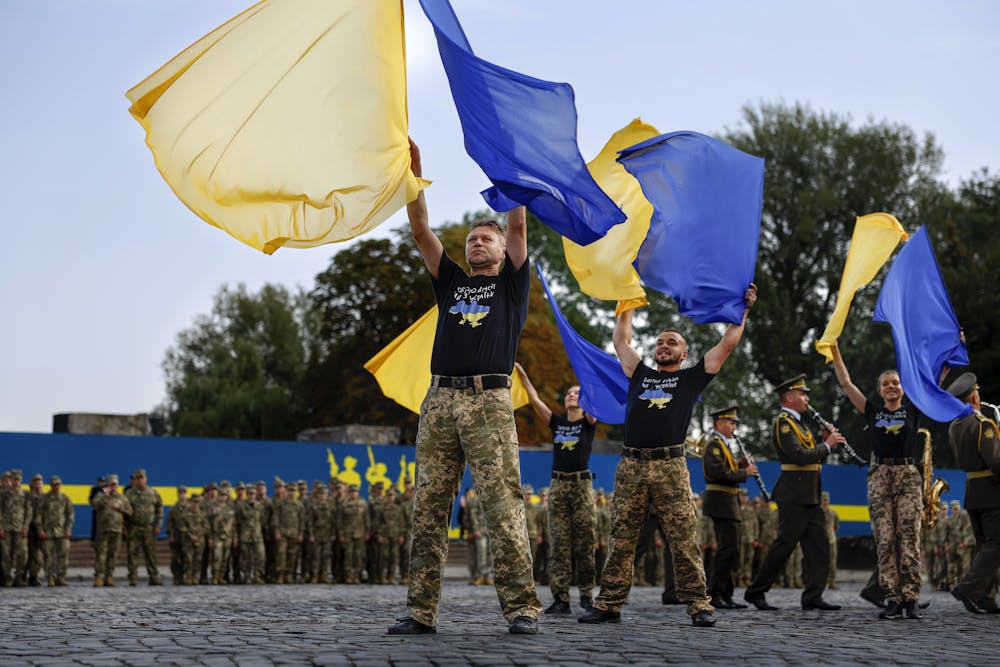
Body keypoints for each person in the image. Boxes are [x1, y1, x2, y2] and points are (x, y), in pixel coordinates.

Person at [388, 140, 541, 636]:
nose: (477, 243)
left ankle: (522, 608)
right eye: (473, 238)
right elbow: (421, 230)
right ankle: (420, 611)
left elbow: (518, 226)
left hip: (488, 400)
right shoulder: (452, 282)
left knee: (502, 505)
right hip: (439, 401)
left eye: (486, 239)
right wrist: (414, 178)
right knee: (429, 509)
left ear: (501, 250)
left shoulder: (512, 285)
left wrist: (509, 167)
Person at [580, 284, 757, 628]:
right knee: (622, 538)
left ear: (684, 353)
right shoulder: (640, 374)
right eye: (660, 342)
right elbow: (621, 341)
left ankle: (699, 604)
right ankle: (609, 604)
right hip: (631, 466)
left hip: (670, 467)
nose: (664, 346)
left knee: (683, 538)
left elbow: (727, 344)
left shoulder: (692, 379)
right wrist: (628, 298)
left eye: (672, 342)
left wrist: (744, 310)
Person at [829, 344, 922, 618]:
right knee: (885, 539)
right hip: (880, 476)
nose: (891, 387)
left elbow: (935, 383)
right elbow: (846, 384)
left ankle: (911, 599)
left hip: (907, 477)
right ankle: (892, 598)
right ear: (880, 391)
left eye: (895, 383)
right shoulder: (873, 412)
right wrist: (835, 349)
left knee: (909, 538)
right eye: (885, 384)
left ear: (903, 388)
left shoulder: (913, 410)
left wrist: (953, 350)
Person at [744, 374, 845, 611]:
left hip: (809, 494)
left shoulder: (799, 424)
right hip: (794, 494)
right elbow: (798, 456)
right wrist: (828, 444)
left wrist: (823, 441)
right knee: (784, 546)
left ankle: (813, 595)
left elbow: (811, 454)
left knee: (819, 546)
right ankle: (755, 592)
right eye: (802, 394)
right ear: (789, 397)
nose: (807, 398)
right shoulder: (784, 423)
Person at [515, 363, 598, 613]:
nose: (572, 395)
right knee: (559, 544)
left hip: (582, 486)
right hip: (559, 486)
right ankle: (561, 599)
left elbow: (594, 397)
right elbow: (535, 400)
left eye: (576, 393)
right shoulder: (557, 423)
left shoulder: (589, 421)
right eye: (569, 393)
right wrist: (524, 375)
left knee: (584, 544)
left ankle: (586, 595)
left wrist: (586, 376)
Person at [945, 373, 1000, 614]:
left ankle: (986, 598)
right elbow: (995, 462)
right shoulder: (982, 424)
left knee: (984, 545)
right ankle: (968, 588)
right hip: (991, 490)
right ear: (975, 397)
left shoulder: (955, 425)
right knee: (996, 542)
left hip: (972, 490)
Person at [701, 405, 758, 609]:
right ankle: (714, 593)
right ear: (720, 424)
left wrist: (741, 465)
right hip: (721, 501)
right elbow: (718, 473)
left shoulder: (724, 445)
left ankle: (726, 593)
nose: (734, 427)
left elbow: (728, 469)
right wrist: (745, 473)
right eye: (731, 423)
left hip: (728, 502)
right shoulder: (714, 445)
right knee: (727, 549)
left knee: (731, 550)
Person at [123, 469, 164, 586]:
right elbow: (124, 512)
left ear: (146, 478)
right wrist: (124, 528)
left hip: (148, 528)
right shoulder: (129, 494)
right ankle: (133, 577)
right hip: (133, 527)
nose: (140, 480)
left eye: (142, 478)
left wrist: (158, 525)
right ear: (134, 480)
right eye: (137, 478)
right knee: (132, 553)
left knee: (150, 554)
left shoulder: (153, 493)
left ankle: (153, 576)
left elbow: (159, 509)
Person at [91, 474, 133, 587]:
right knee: (101, 555)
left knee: (113, 555)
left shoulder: (122, 497)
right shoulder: (100, 495)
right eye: (111, 484)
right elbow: (94, 506)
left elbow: (130, 512)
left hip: (117, 530)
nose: (113, 486)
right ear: (107, 485)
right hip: (103, 530)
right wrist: (105, 496)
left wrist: (120, 508)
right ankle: (98, 577)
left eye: (115, 484)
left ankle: (109, 577)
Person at [38, 476, 73, 586]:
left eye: (58, 484)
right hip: (47, 532)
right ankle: (50, 578)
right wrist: (40, 529)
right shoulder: (44, 498)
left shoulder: (65, 498)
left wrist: (68, 529)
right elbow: (38, 515)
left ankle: (61, 577)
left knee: (64, 555)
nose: (56, 486)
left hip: (62, 532)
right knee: (48, 556)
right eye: (54, 485)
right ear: (50, 486)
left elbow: (70, 515)